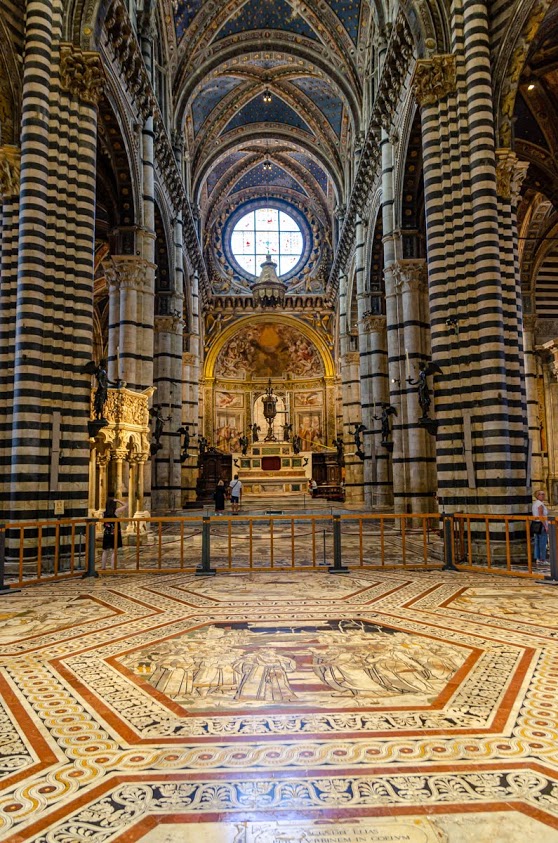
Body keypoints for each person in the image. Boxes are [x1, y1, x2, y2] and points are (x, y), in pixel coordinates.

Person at [101, 497, 127, 570]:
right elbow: (125, 505)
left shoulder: (103, 513)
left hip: (106, 533)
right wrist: (118, 500)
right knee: (114, 551)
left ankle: (103, 567)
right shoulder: (116, 512)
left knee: (105, 550)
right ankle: (112, 567)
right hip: (114, 534)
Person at [532, 489, 549, 564]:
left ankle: (537, 558)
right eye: (541, 494)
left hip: (536, 524)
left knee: (537, 541)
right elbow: (541, 516)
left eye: (543, 494)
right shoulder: (539, 504)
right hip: (541, 525)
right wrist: (545, 526)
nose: (543, 496)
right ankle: (542, 559)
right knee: (542, 542)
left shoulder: (535, 503)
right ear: (537, 495)